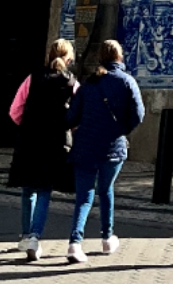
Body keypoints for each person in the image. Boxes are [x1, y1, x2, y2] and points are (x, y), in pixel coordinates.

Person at [67, 41, 144, 264]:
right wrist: (121, 130)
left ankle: (74, 242)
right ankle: (107, 237)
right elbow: (138, 114)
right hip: (113, 146)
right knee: (106, 189)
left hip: (85, 146)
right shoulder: (128, 82)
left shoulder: (89, 84)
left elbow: (72, 116)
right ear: (119, 57)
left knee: (84, 196)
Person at [7, 38, 77, 261]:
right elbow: (78, 114)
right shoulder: (71, 82)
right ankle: (35, 237)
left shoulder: (32, 78)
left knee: (29, 189)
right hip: (54, 143)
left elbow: (15, 111)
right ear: (68, 58)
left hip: (30, 140)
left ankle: (26, 234)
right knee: (45, 189)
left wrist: (28, 125)